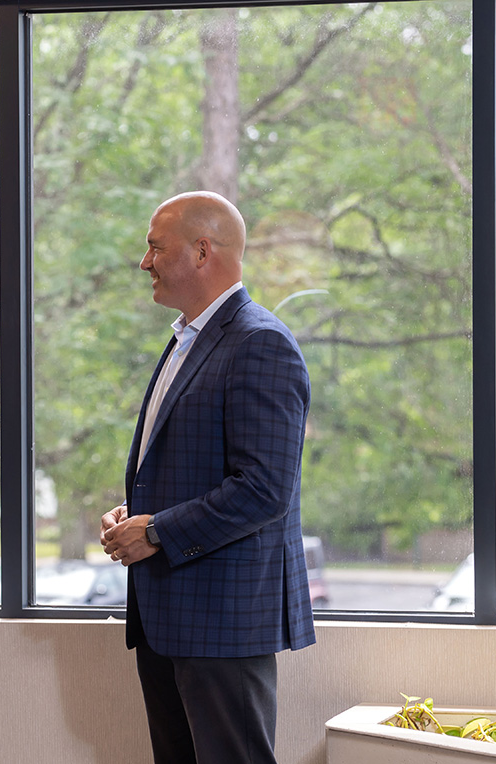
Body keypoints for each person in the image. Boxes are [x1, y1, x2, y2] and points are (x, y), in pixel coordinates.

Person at [100, 191, 316, 764]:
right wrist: (133, 518)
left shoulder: (260, 343)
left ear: (201, 251)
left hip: (223, 621)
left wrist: (155, 532)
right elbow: (177, 470)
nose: (143, 262)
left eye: (154, 247)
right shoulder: (186, 340)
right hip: (168, 616)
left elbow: (265, 489)